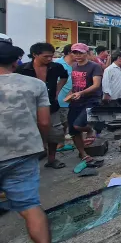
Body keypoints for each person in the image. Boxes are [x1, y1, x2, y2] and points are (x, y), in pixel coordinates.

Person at [0, 38, 52, 243]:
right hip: (24, 151)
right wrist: (43, 144)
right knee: (30, 206)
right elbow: (45, 122)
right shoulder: (35, 85)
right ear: (15, 63)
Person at [16, 43, 69, 169]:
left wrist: (57, 90)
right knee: (31, 134)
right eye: (46, 56)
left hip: (52, 106)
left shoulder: (56, 67)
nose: (50, 59)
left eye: (51, 56)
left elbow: (64, 76)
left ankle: (52, 159)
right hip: (30, 107)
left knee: (55, 133)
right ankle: (35, 156)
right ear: (35, 55)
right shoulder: (22, 69)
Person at [67, 43, 103, 162]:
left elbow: (96, 85)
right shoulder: (74, 66)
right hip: (76, 100)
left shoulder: (94, 66)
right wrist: (71, 94)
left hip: (90, 100)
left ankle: (90, 130)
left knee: (78, 125)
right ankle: (83, 154)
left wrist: (81, 93)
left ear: (86, 53)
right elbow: (76, 84)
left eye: (80, 53)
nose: (77, 55)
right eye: (75, 52)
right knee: (72, 129)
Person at [56, 44, 74, 134]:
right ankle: (60, 143)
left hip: (75, 98)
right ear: (70, 52)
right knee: (61, 123)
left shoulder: (78, 65)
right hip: (61, 99)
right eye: (76, 52)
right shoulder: (58, 64)